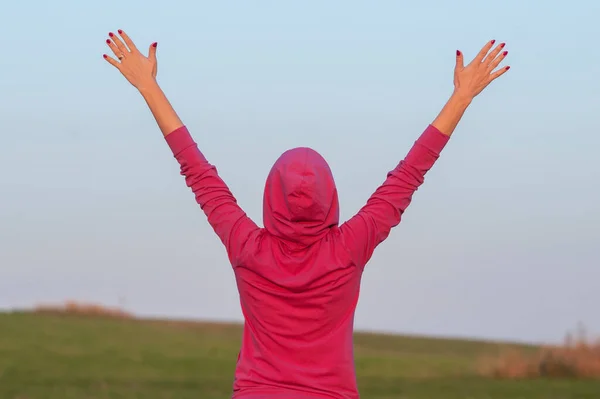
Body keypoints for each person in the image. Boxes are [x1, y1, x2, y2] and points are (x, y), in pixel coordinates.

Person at [103, 30, 510, 399]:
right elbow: (409, 174)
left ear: (270, 195)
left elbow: (195, 169)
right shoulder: (349, 247)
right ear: (330, 197)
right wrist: (462, 96)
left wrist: (148, 87)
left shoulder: (246, 245)